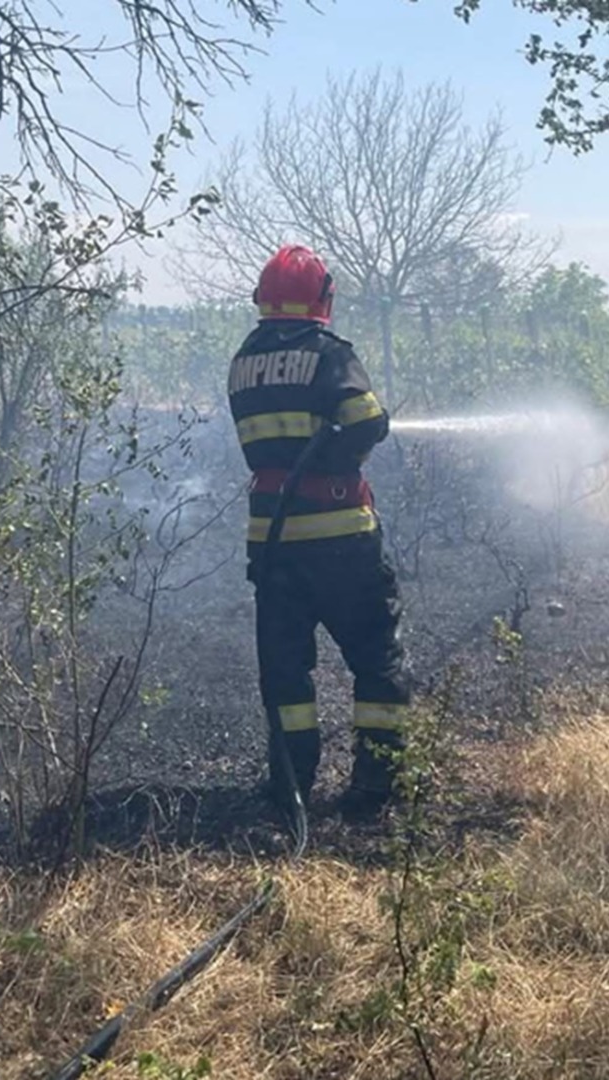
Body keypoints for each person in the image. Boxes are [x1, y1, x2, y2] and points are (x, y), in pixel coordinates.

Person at [226, 243, 413, 817]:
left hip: (275, 542)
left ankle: (291, 786)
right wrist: (339, 443)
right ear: (322, 299)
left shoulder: (244, 360)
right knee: (375, 658)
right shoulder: (330, 355)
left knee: (286, 671)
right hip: (341, 540)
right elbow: (368, 422)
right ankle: (375, 787)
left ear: (264, 298)